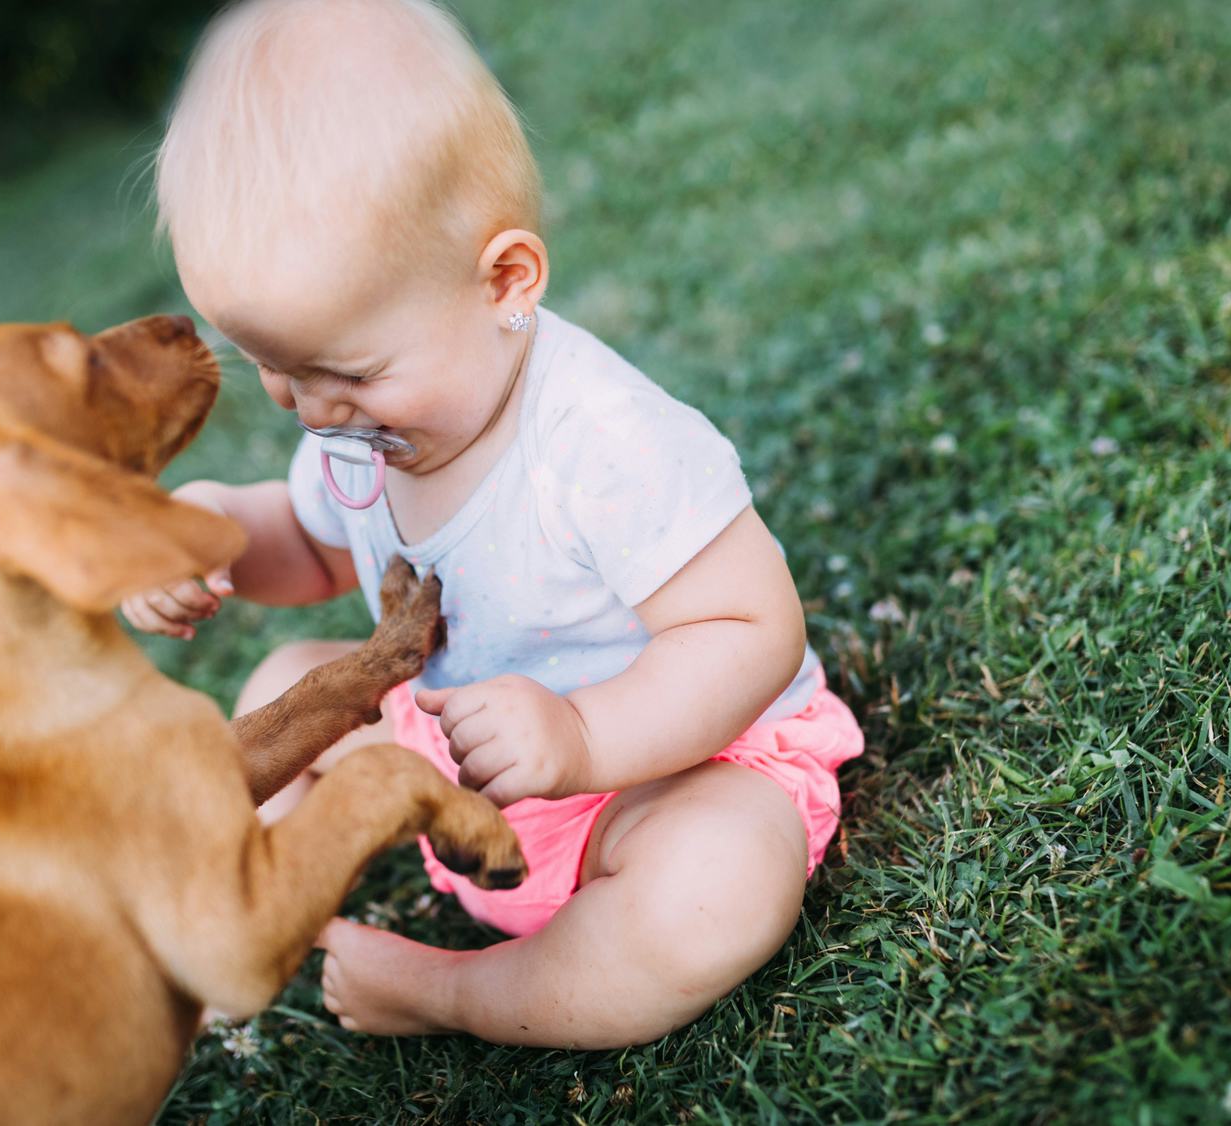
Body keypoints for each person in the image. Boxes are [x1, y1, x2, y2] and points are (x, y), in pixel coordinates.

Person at [127, 0, 863, 1048]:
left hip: (654, 769)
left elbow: (749, 629)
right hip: (462, 752)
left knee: (719, 882)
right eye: (273, 368)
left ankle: (452, 993)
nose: (309, 408)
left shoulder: (605, 442)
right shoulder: (358, 427)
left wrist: (583, 737)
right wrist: (211, 536)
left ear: (503, 281)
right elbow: (309, 543)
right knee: (279, 685)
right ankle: (224, 918)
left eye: (348, 373)